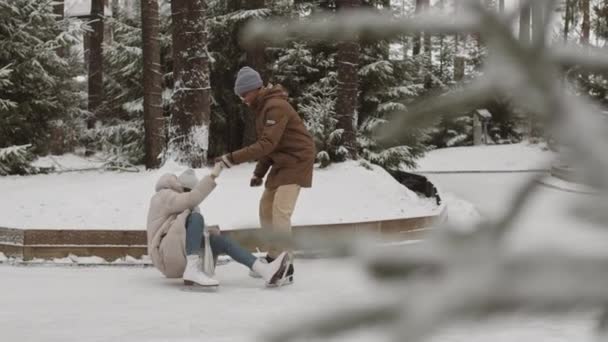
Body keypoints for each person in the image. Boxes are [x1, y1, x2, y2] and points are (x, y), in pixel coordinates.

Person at [215, 66, 316, 284]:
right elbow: (271, 147)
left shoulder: (276, 107)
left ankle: (285, 265)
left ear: (254, 89)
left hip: (297, 160)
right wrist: (259, 173)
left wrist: (231, 158)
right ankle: (273, 256)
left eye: (244, 94)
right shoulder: (262, 109)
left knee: (281, 211)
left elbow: (266, 144)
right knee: (265, 207)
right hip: (281, 161)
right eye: (240, 96)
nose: (243, 99)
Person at [146, 165, 289, 288]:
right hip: (163, 255)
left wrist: (209, 233)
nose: (190, 194)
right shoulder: (163, 196)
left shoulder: (188, 208)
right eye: (187, 190)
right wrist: (213, 175)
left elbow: (188, 231)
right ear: (180, 188)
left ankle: (264, 270)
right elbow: (191, 201)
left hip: (177, 255)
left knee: (219, 240)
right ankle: (192, 270)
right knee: (196, 218)